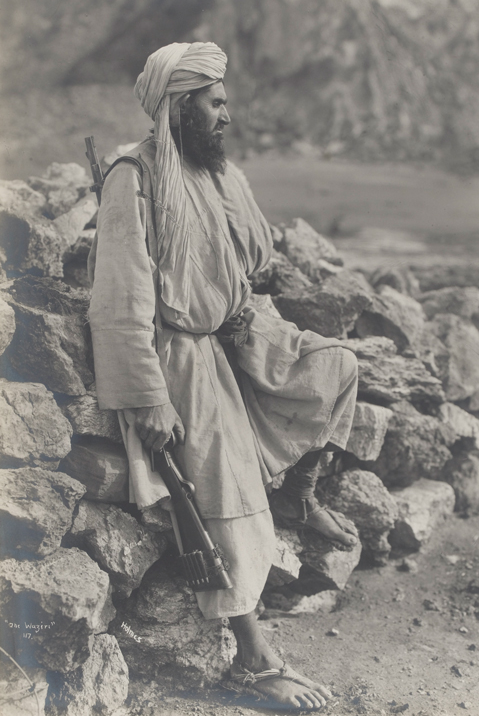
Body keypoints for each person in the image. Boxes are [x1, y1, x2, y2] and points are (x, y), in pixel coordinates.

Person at [88, 41, 359, 710]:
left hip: (239, 334)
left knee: (337, 368)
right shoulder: (136, 175)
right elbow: (120, 300)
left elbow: (255, 255)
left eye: (225, 102)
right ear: (180, 108)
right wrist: (149, 397)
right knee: (229, 494)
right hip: (181, 355)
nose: (226, 116)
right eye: (214, 104)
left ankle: (301, 489)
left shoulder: (215, 172)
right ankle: (255, 661)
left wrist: (248, 317)